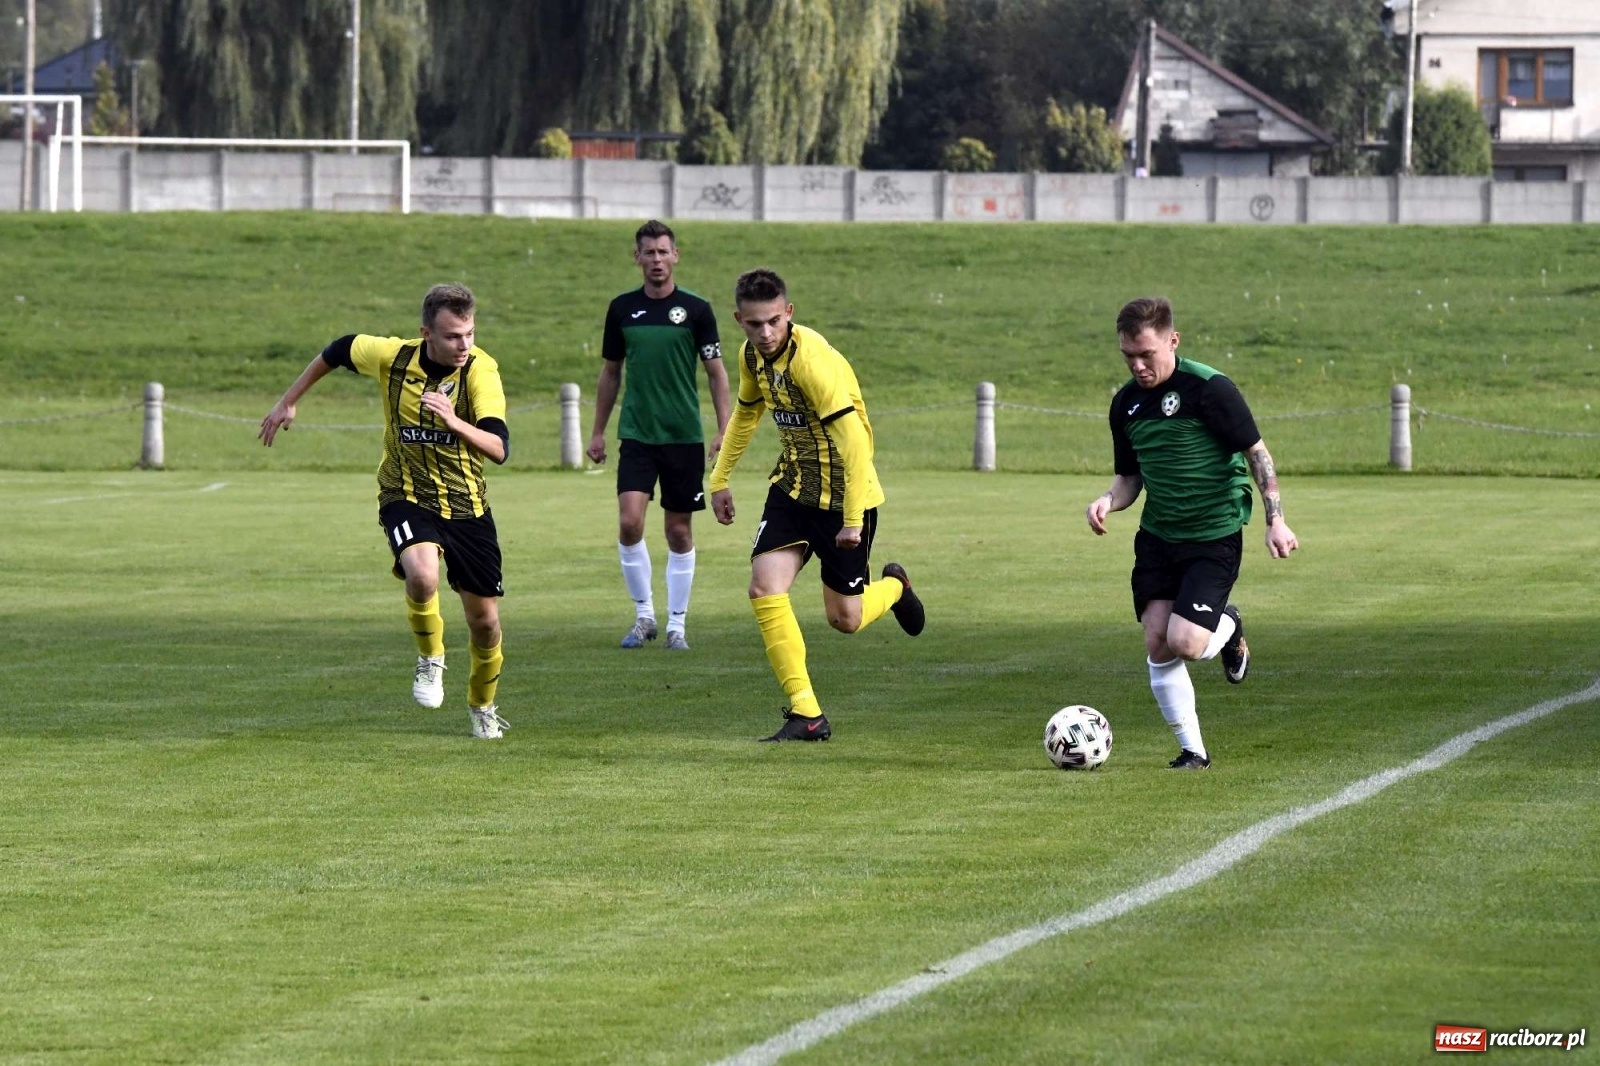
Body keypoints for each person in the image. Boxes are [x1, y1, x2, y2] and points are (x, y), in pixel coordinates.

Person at [258, 283, 512, 740]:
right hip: (404, 492)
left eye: (469, 333)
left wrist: (453, 421)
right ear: (425, 333)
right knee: (422, 574)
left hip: (467, 505)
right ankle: (431, 659)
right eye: (453, 336)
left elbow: (498, 448)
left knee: (485, 623)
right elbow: (337, 350)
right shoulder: (393, 357)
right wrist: (289, 399)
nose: (464, 345)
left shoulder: (481, 371)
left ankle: (482, 704)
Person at [709, 268, 925, 742]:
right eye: (752, 324)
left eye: (772, 322)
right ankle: (806, 714)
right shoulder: (751, 357)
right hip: (792, 489)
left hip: (847, 497)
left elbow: (854, 444)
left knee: (844, 619)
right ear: (738, 320)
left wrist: (852, 519)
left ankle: (893, 586)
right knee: (764, 588)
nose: (764, 333)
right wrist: (720, 479)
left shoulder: (813, 363)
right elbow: (745, 415)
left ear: (788, 313)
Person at [1084, 296, 1298, 769]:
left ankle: (1229, 624)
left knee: (1186, 642)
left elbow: (1256, 454)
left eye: (1147, 354)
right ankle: (1193, 752)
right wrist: (1107, 501)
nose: (1138, 366)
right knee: (1157, 641)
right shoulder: (1126, 405)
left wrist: (1275, 518)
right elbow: (1129, 478)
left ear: (1173, 341)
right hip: (1159, 536)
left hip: (1213, 534)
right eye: (1128, 357)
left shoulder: (1209, 388)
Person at [587, 220, 731, 651]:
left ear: (675, 256)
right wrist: (597, 431)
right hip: (637, 435)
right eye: (648, 252)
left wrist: (725, 432)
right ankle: (644, 615)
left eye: (662, 252)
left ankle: (677, 626)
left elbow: (717, 375)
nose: (656, 260)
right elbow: (611, 373)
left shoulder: (697, 310)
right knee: (630, 522)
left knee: (679, 532)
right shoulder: (621, 309)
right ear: (637, 258)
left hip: (683, 436)